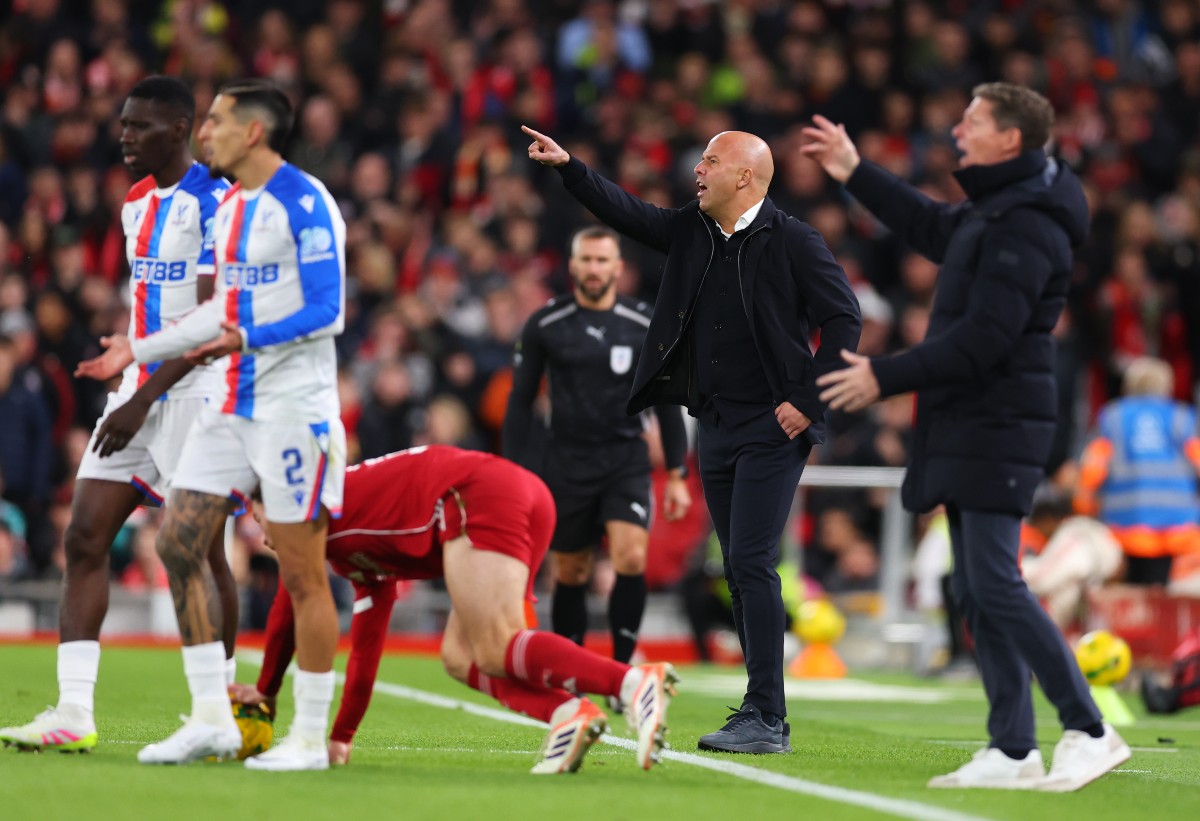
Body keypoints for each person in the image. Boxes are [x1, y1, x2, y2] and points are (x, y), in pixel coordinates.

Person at [805, 82, 1130, 791]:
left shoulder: (1029, 224)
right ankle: (1013, 746)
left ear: (1009, 139)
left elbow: (986, 339)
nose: (957, 130)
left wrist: (883, 377)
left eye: (973, 121)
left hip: (1001, 419)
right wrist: (855, 171)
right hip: (971, 418)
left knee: (996, 582)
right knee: (977, 588)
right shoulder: (1001, 207)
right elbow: (928, 226)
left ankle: (1089, 727)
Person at [524, 124, 861, 754]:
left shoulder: (793, 240)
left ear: (745, 177)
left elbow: (844, 319)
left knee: (753, 562)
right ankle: (761, 709)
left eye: (710, 161)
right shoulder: (695, 229)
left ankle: (766, 715)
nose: (697, 171)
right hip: (716, 425)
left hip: (771, 425)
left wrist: (805, 400)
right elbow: (630, 213)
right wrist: (571, 167)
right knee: (736, 566)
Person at [76, 79, 346, 771]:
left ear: (253, 132)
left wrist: (241, 335)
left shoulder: (306, 203)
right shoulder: (230, 214)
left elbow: (328, 311)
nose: (207, 133)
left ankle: (311, 738)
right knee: (178, 544)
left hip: (293, 412)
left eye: (218, 122)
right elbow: (210, 313)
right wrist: (137, 348)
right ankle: (211, 719)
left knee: (302, 573)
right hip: (229, 405)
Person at [0, 76, 238, 754]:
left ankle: (221, 713)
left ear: (181, 130)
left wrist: (142, 397)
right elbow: (149, 306)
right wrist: (126, 370)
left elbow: (207, 323)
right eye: (124, 124)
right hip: (135, 388)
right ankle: (74, 709)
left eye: (141, 126)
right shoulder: (135, 203)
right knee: (83, 536)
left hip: (192, 391)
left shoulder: (213, 204)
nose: (126, 136)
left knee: (201, 550)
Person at [231, 445, 677, 774]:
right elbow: (366, 649)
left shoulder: (313, 515)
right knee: (463, 657)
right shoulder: (350, 554)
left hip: (474, 495)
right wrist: (341, 739)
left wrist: (267, 689)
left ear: (278, 504)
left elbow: (290, 605)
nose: (262, 536)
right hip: (508, 493)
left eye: (258, 518)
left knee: (497, 643)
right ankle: (568, 714)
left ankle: (632, 681)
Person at [503, 226, 691, 680]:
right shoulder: (545, 324)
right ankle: (573, 670)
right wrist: (513, 472)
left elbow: (666, 401)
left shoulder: (646, 323)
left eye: (602, 260)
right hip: (565, 462)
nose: (593, 268)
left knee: (630, 556)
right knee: (571, 569)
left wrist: (680, 471)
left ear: (618, 268)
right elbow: (520, 402)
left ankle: (623, 671)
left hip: (625, 458)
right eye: (585, 260)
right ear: (572, 265)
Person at [1073, 356, 1200, 585]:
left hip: (1125, 528)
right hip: (1178, 530)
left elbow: (1092, 469)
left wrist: (1084, 509)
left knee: (1131, 591)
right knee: (1167, 598)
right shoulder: (1182, 417)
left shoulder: (1113, 417)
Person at [1022, 489, 1122, 630]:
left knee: (1060, 594)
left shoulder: (1072, 532)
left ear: (1048, 519)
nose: (1038, 531)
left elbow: (1039, 580)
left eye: (1038, 524)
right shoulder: (1084, 527)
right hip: (1095, 590)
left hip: (1101, 589)